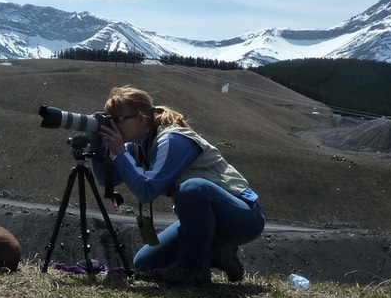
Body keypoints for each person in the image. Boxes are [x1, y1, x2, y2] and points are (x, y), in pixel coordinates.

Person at [91, 85, 265, 285]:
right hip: (206, 222)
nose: (113, 126)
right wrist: (97, 145)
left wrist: (120, 153)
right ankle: (218, 254)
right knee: (145, 262)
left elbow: (146, 192)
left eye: (117, 120)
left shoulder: (172, 140)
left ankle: (194, 267)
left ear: (140, 118)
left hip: (243, 217)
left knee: (193, 188)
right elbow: (108, 180)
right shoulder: (139, 145)